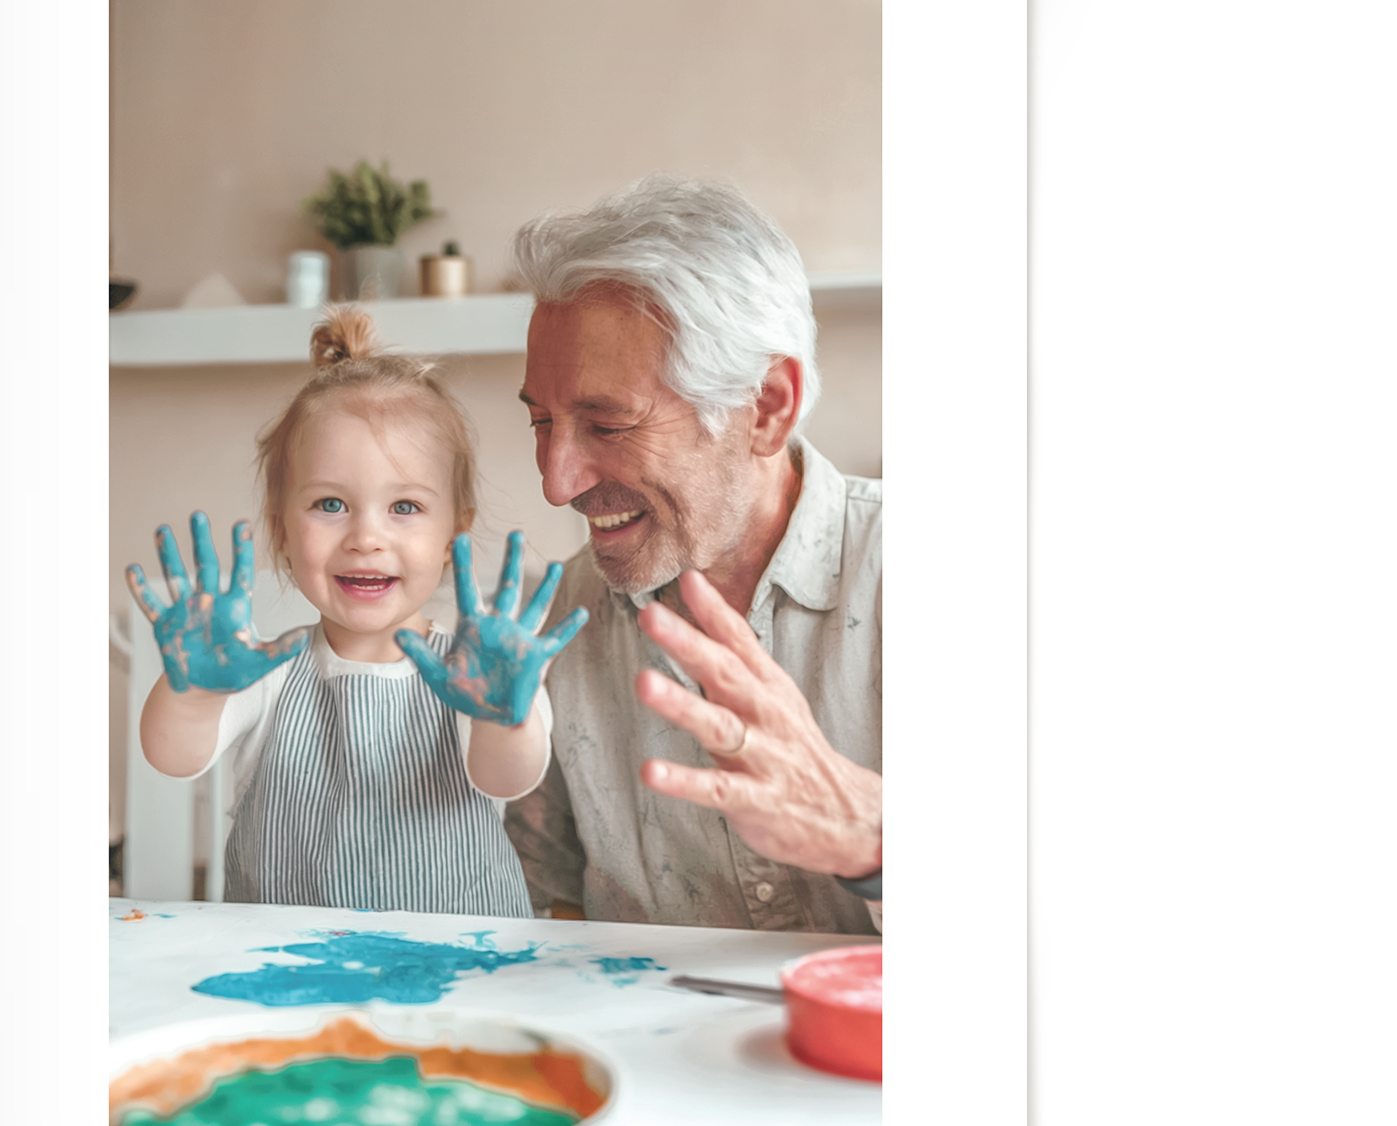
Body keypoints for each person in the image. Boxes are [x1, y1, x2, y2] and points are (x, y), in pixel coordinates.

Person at [503, 176, 884, 934]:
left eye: (606, 426)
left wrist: (874, 838)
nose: (556, 482)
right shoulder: (553, 622)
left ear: (766, 407)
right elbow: (547, 909)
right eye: (542, 422)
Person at [128, 306, 586, 917]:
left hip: (459, 968)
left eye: (404, 508)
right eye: (330, 504)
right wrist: (193, 696)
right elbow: (171, 755)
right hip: (285, 967)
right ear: (280, 529)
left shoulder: (479, 674)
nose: (366, 537)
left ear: (456, 531)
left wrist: (507, 718)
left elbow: (508, 779)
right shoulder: (265, 674)